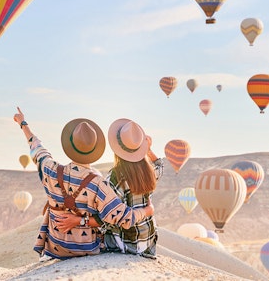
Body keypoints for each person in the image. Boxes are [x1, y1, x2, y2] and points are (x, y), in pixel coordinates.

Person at [13, 108, 154, 260]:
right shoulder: (99, 184)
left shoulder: (49, 169)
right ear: (95, 149)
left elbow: (37, 147)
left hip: (56, 247)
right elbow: (125, 219)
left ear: (69, 145)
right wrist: (148, 210)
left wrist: (23, 123)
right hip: (87, 249)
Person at [57, 118, 161, 259]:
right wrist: (148, 151)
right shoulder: (149, 170)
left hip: (126, 244)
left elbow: (107, 218)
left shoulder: (116, 177)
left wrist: (78, 221)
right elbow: (159, 166)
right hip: (148, 242)